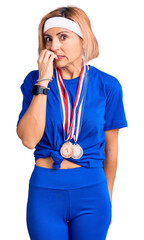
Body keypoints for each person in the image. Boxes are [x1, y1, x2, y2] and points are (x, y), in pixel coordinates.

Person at [16, 6, 128, 240]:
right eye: (48, 39)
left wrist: (107, 198)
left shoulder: (108, 85)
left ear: (83, 39)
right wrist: (43, 82)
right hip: (46, 191)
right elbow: (28, 139)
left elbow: (111, 149)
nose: (53, 46)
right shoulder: (34, 82)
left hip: (92, 191)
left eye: (62, 37)